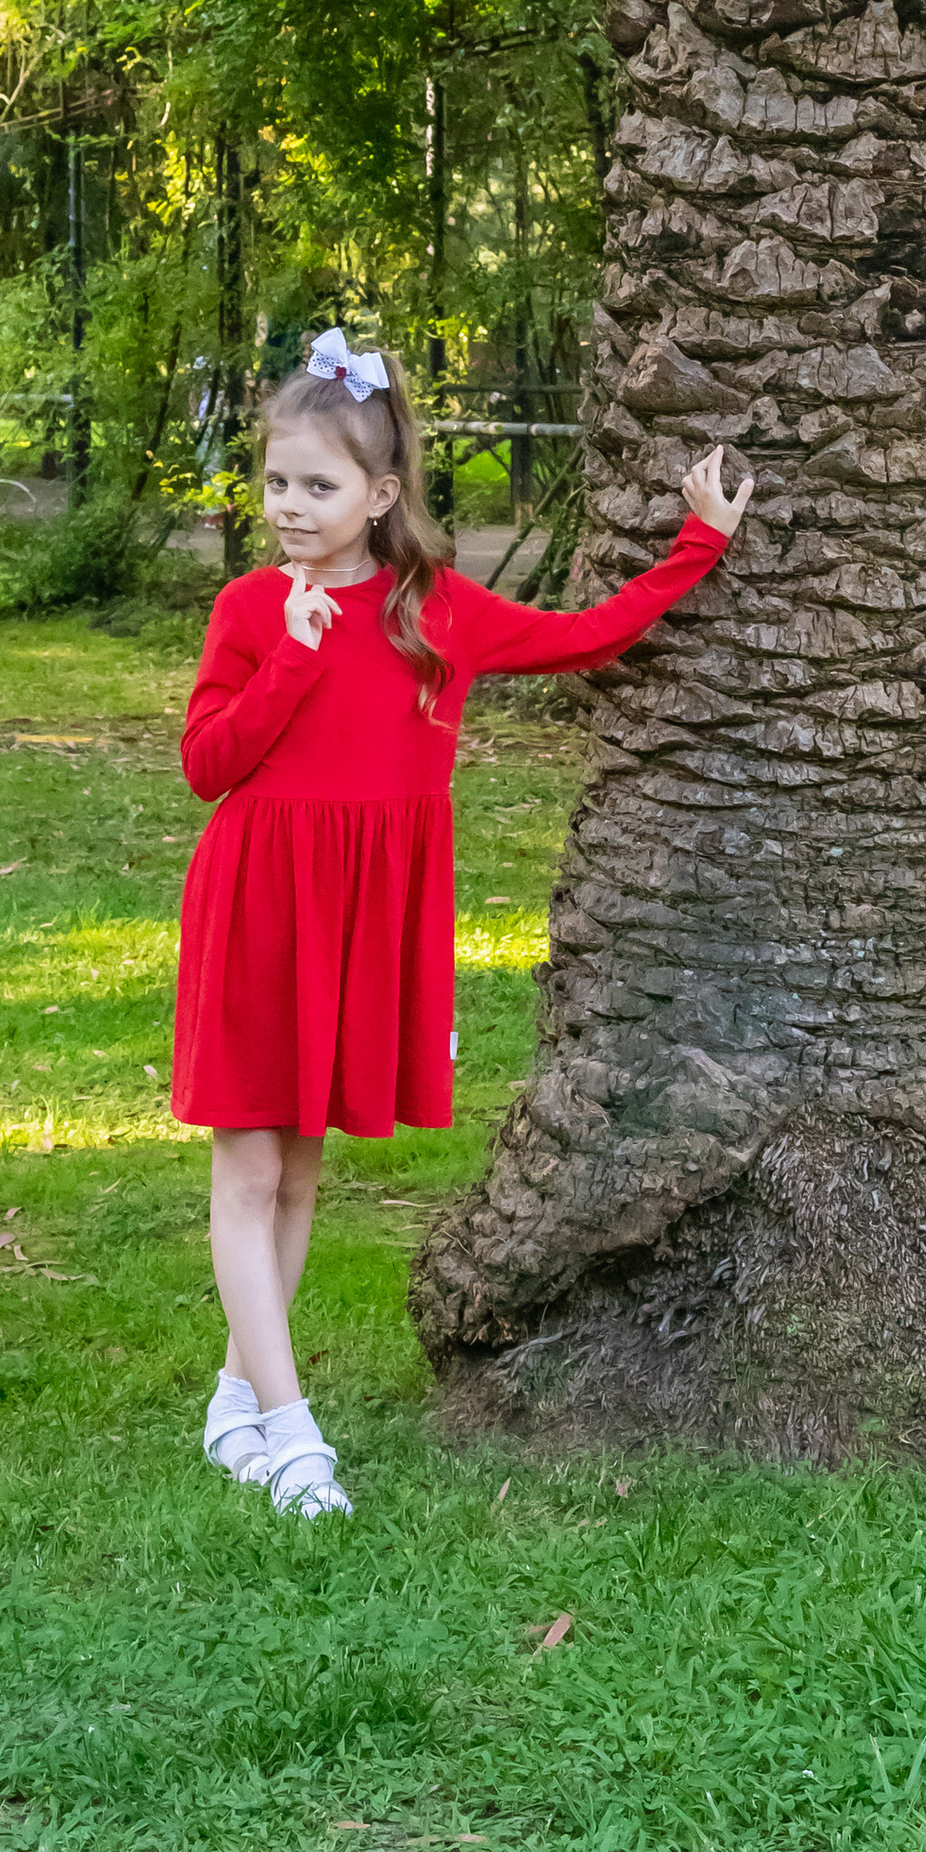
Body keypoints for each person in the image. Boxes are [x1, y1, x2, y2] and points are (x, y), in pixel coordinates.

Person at [171, 326, 752, 1518]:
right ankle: (293, 1432)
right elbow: (206, 764)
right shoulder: (250, 607)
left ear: (380, 494)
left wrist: (698, 543)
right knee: (248, 1167)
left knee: (298, 1172)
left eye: (318, 485)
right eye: (276, 481)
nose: (289, 506)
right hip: (261, 900)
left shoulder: (433, 610)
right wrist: (288, 658)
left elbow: (584, 635)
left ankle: (237, 1402)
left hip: (365, 910)